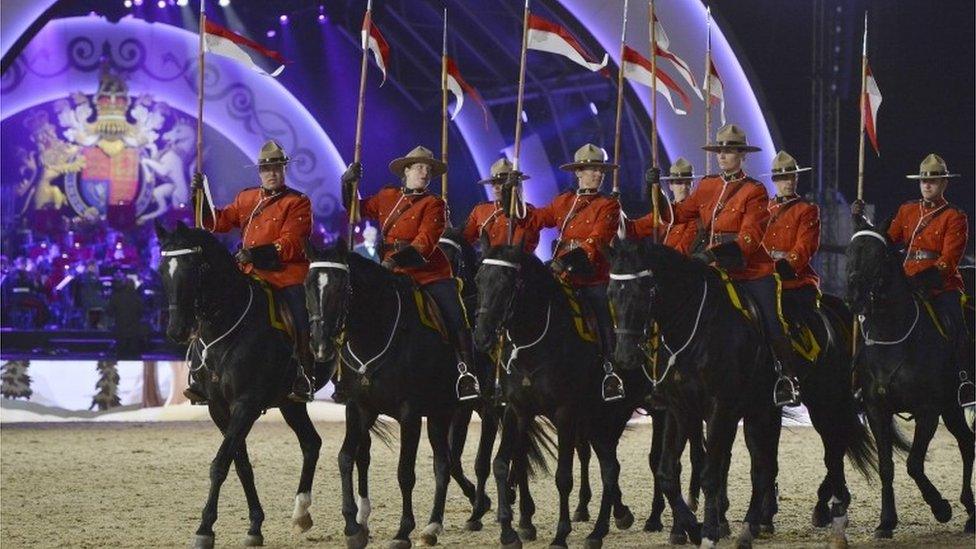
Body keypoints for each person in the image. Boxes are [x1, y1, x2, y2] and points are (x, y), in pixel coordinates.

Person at [650, 124, 804, 407]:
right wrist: (657, 191)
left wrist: (712, 256)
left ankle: (785, 377)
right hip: (711, 270)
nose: (722, 156)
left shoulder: (754, 191)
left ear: (742, 155)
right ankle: (667, 376)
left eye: (729, 151)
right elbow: (679, 214)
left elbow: (749, 239)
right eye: (720, 150)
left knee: (771, 320)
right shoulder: (707, 185)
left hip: (749, 270)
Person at [341, 146, 480, 401]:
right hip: (388, 270)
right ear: (406, 171)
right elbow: (355, 210)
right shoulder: (386, 196)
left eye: (428, 169)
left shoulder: (434, 204)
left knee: (455, 315)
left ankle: (466, 373)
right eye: (419, 167)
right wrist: (348, 183)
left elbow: (424, 243)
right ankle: (345, 373)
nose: (425, 173)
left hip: (428, 272)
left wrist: (392, 263)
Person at [190, 140, 315, 403]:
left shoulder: (297, 202)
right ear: (259, 172)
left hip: (283, 276)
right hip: (248, 273)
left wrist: (256, 254)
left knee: (299, 315)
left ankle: (303, 373)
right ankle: (201, 372)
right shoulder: (246, 198)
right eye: (266, 168)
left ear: (284, 170)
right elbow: (218, 222)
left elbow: (292, 242)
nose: (272, 173)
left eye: (277, 168)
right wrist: (200, 197)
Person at [852, 153, 973, 410]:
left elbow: (950, 258)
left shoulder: (954, 216)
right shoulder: (907, 210)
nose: (927, 185)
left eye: (933, 181)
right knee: (873, 320)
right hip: (906, 281)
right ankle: (864, 381)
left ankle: (964, 381)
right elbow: (886, 240)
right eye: (923, 181)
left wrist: (928, 277)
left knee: (956, 326)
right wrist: (862, 223)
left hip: (941, 285)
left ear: (944, 184)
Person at [520, 144, 625, 401]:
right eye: (592, 169)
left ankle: (611, 372)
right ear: (579, 172)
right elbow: (534, 219)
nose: (598, 174)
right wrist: (513, 196)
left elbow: (596, 242)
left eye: (600, 170)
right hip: (561, 276)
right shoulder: (564, 201)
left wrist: (563, 263)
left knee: (603, 316)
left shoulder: (608, 205)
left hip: (591, 275)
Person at [761, 151, 821, 310]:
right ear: (774, 180)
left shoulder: (806, 209)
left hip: (794, 278)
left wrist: (784, 267)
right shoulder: (762, 209)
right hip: (763, 276)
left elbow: (805, 246)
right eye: (783, 178)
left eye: (792, 176)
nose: (789, 182)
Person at [626, 157, 702, 255]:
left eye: (688, 183)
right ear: (671, 185)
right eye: (679, 183)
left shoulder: (695, 215)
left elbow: (682, 252)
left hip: (681, 267)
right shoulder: (661, 213)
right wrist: (616, 209)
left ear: (692, 185)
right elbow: (632, 229)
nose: (684, 187)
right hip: (662, 265)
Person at [462, 158, 539, 253]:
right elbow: (464, 239)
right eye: (494, 183)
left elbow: (528, 242)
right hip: (486, 264)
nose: (496, 187)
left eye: (502, 182)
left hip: (516, 264)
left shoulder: (525, 211)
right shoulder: (480, 210)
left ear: (515, 184)